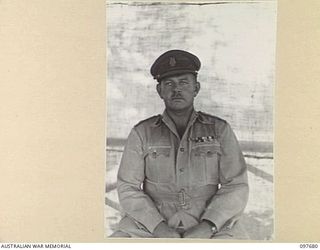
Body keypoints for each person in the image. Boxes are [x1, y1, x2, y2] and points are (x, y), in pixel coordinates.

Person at [111, 50, 249, 239]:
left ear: (196, 88)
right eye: (169, 84)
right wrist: (159, 228)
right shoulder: (142, 132)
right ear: (159, 91)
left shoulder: (219, 130)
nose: (177, 90)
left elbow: (236, 185)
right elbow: (128, 186)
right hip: (149, 227)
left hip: (210, 225)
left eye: (184, 82)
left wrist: (208, 226)